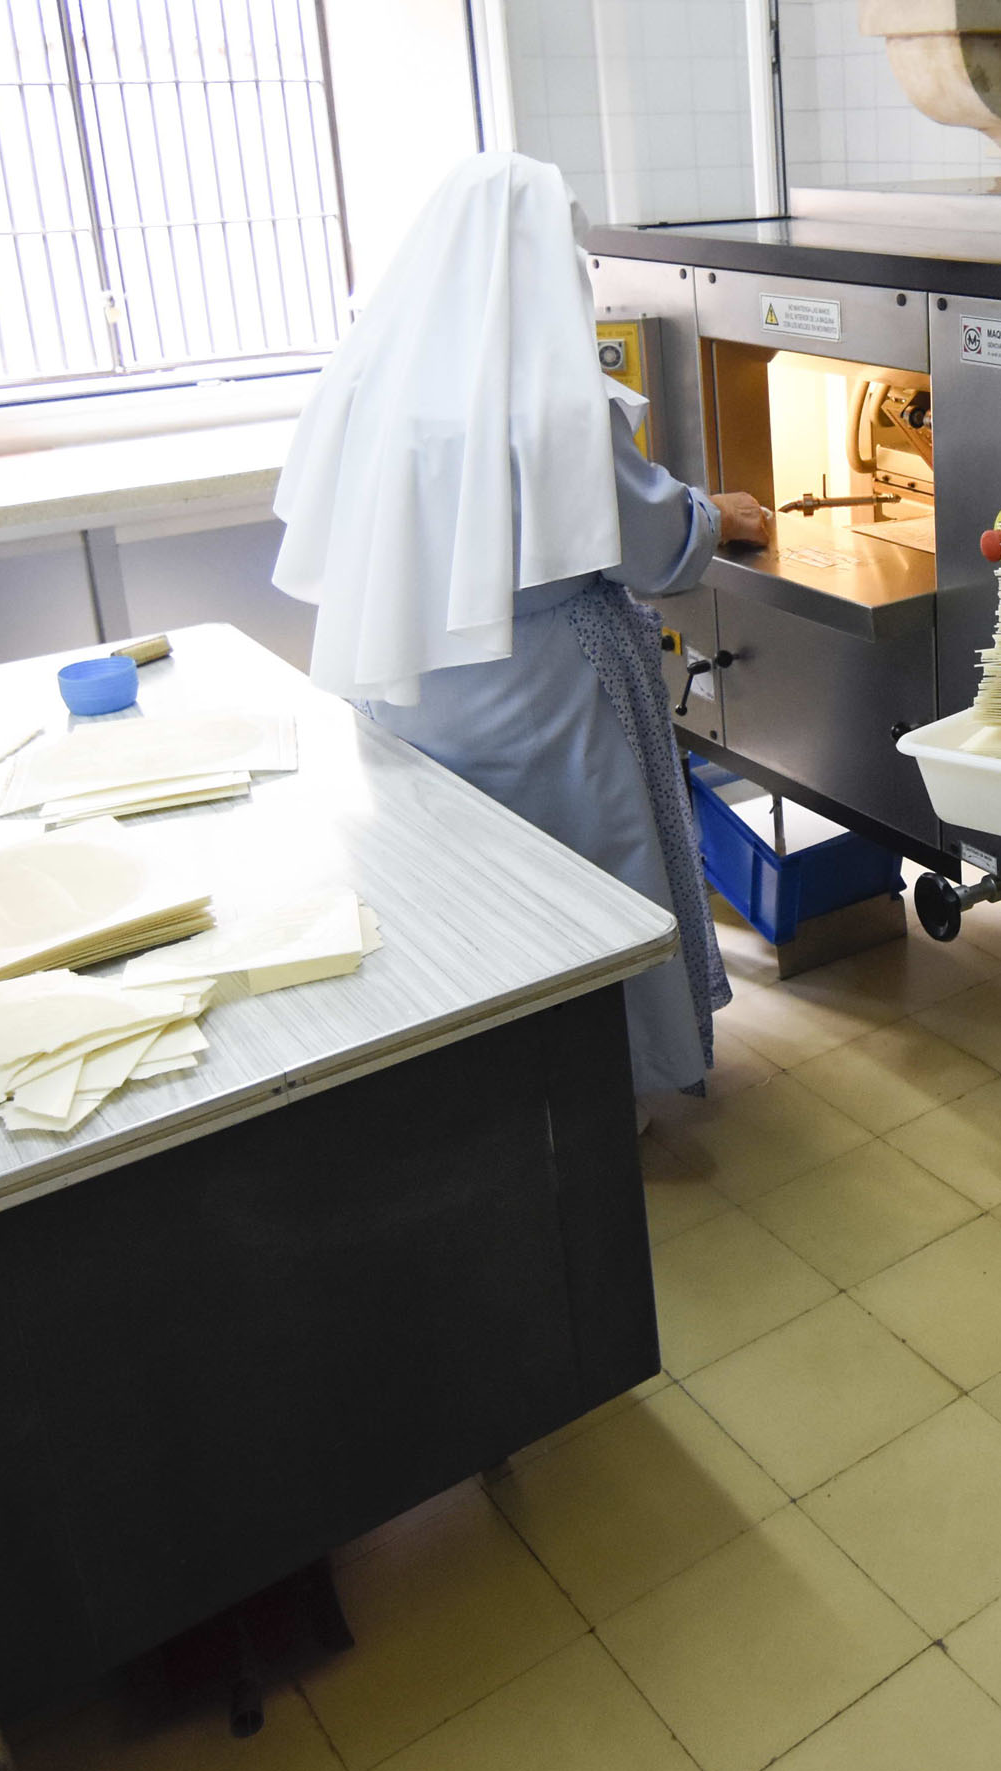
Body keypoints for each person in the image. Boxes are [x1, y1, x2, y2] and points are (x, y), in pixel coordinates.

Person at [271, 152, 773, 1101]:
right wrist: (720, 515)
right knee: (588, 890)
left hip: (416, 690)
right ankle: (611, 1091)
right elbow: (650, 547)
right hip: (545, 694)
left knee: (473, 897)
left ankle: (505, 1096)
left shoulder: (373, 383)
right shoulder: (550, 404)